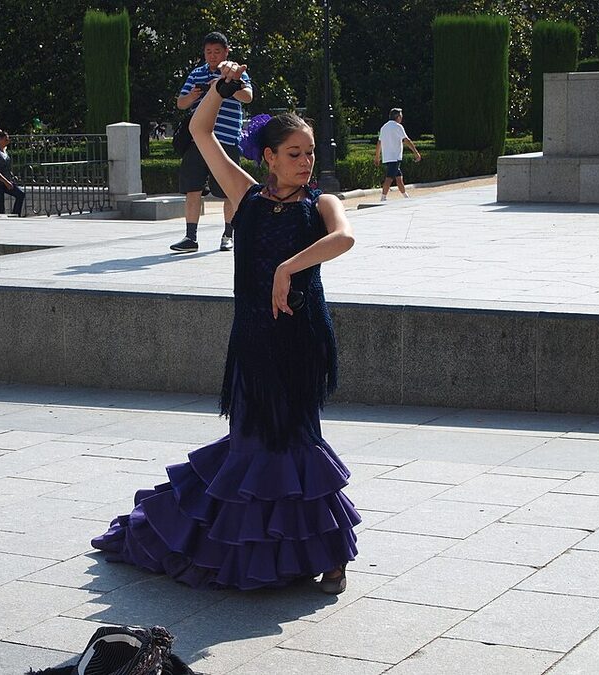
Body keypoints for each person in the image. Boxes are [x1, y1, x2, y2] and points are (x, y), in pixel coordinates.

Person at [92, 61, 358, 593]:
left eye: (309, 153)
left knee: (300, 439)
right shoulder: (246, 196)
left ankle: (330, 554)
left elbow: (344, 238)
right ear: (269, 157)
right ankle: (248, 550)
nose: (305, 162)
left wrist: (287, 268)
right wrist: (219, 86)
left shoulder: (322, 202)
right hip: (254, 341)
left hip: (302, 340)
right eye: (294, 153)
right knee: (252, 443)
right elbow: (200, 130)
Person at [170, 31, 253, 254]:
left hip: (227, 140)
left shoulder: (235, 72)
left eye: (217, 51)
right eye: (209, 52)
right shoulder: (197, 73)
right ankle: (190, 237)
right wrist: (193, 96)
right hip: (198, 141)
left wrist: (227, 87)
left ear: (226, 52)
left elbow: (248, 97)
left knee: (229, 190)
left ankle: (228, 235)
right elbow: (181, 103)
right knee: (192, 188)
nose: (213, 56)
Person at [374, 108, 420, 201]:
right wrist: (416, 152)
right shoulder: (398, 126)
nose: (401, 118)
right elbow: (406, 140)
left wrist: (377, 157)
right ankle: (383, 197)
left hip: (387, 157)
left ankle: (406, 196)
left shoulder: (384, 127)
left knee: (399, 177)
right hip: (394, 157)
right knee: (389, 178)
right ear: (397, 117)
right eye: (401, 116)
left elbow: (379, 142)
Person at [0, 129, 25, 216]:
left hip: (6, 181)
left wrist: (11, 177)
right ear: (0, 140)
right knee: (0, 208)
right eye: (6, 139)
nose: (8, 141)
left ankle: (15, 215)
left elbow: (6, 166)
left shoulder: (4, 150)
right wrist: (6, 182)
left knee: (20, 194)